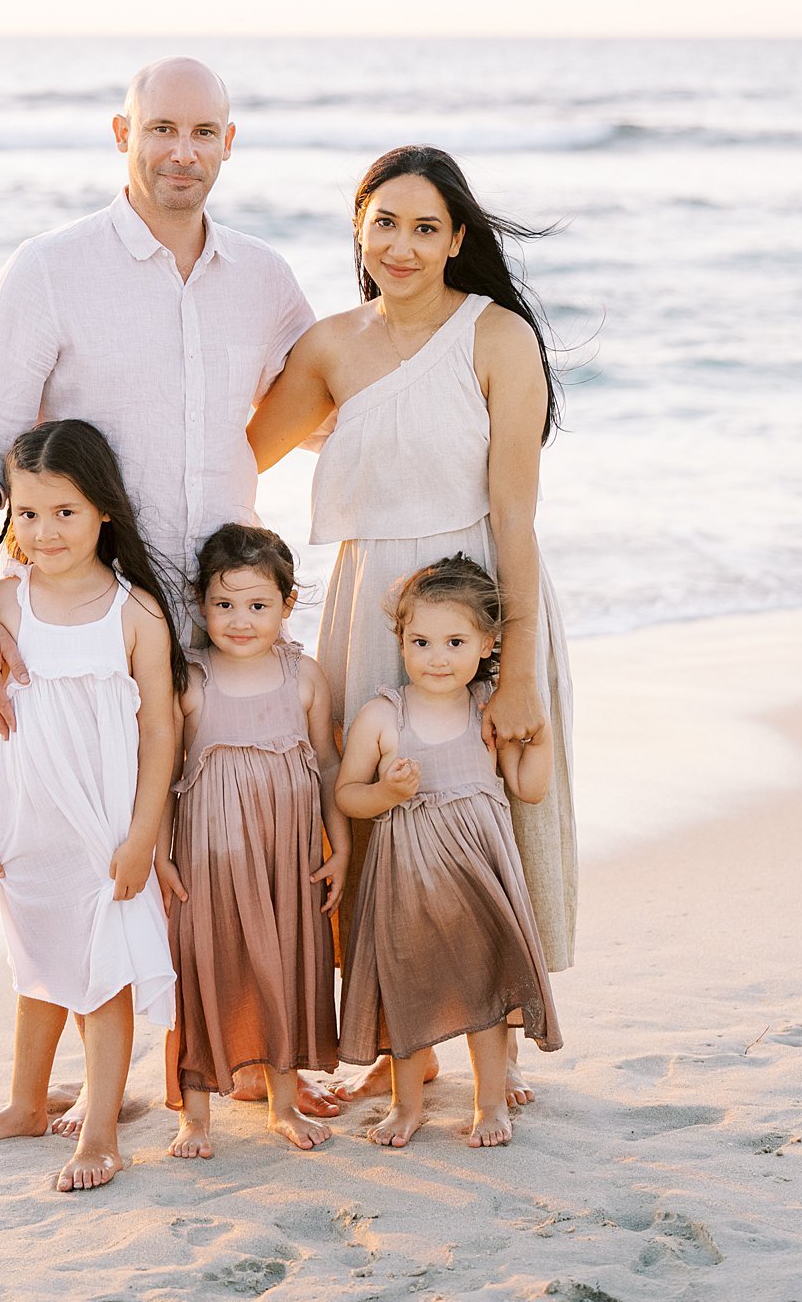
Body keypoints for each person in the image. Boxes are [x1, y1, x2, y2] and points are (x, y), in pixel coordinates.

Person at [247, 145, 577, 1105]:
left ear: (457, 240)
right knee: (381, 810)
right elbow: (234, 460)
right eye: (384, 222)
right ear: (358, 227)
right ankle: (406, 1043)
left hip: (478, 600)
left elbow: (514, 516)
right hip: (370, 604)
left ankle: (497, 1032)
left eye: (425, 227)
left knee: (493, 809)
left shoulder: (496, 338)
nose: (401, 243)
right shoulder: (328, 347)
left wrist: (515, 664)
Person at [0, 57, 313, 741]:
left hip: (224, 625)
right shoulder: (48, 270)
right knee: (87, 835)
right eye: (162, 129)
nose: (183, 151)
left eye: (204, 132)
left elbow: (327, 412)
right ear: (122, 132)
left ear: (228, 143)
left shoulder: (264, 277)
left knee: (222, 838)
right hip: (81, 625)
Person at [0, 420, 185, 1192]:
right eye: (26, 514)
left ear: (103, 512)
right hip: (27, 826)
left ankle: (102, 1132)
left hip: (105, 829)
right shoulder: (3, 603)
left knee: (103, 976)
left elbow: (160, 729)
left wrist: (143, 836)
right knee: (37, 966)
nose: (43, 532)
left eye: (65, 513)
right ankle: (23, 1104)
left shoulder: (134, 613)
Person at [335, 556, 561, 1150]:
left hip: (477, 876)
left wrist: (542, 737)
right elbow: (348, 794)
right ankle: (406, 1107)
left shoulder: (488, 710)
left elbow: (528, 787)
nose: (438, 656)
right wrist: (387, 791)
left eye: (455, 641)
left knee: (484, 993)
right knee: (408, 991)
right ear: (401, 642)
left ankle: (490, 1104)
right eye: (421, 641)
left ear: (489, 645)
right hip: (406, 881)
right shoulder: (384, 715)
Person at [158, 524, 348, 1160]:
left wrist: (338, 845)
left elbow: (326, 765)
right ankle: (194, 1114)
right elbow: (158, 771)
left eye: (258, 605)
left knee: (287, 961)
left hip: (288, 854)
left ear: (288, 605)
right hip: (208, 854)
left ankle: (282, 1103)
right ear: (201, 603)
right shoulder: (189, 678)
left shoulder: (305, 677)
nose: (240, 620)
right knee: (203, 966)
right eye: (224, 604)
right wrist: (158, 850)